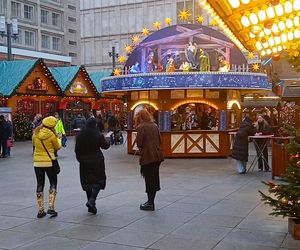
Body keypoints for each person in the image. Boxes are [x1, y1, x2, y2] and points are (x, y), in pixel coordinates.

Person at [75, 117, 110, 214]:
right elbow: (105, 146)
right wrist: (108, 140)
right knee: (98, 181)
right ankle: (92, 200)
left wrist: (80, 159)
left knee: (87, 182)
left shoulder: (80, 135)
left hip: (84, 161)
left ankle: (91, 206)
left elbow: (77, 149)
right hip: (96, 160)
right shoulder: (97, 134)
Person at [32, 116, 61, 218]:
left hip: (37, 163)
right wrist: (58, 138)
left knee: (40, 184)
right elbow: (58, 147)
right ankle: (51, 208)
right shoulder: (52, 135)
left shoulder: (35, 133)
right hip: (49, 162)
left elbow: (34, 145)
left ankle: (40, 210)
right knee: (53, 182)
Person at [136, 109, 164, 211]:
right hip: (157, 156)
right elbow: (160, 140)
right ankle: (151, 200)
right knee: (154, 177)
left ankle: (150, 202)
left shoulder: (141, 127)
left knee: (149, 179)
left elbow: (139, 143)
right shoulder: (155, 125)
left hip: (148, 156)